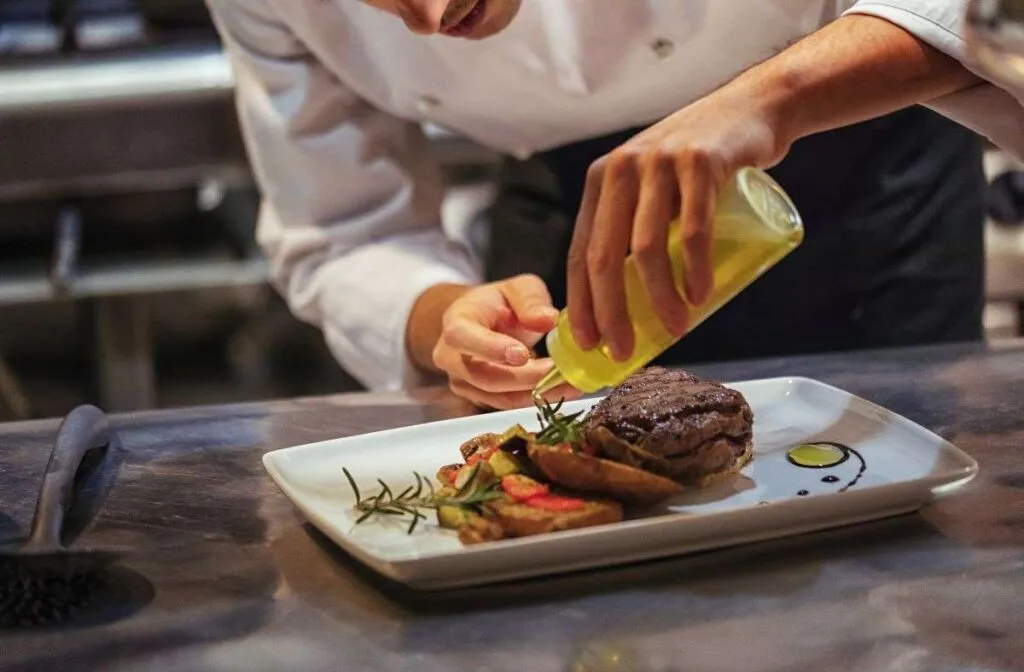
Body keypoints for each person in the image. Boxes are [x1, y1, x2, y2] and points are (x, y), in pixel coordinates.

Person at [206, 0, 1024, 409]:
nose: (431, 16)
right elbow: (340, 228)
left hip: (852, 156)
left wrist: (770, 100)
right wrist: (443, 318)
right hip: (571, 210)